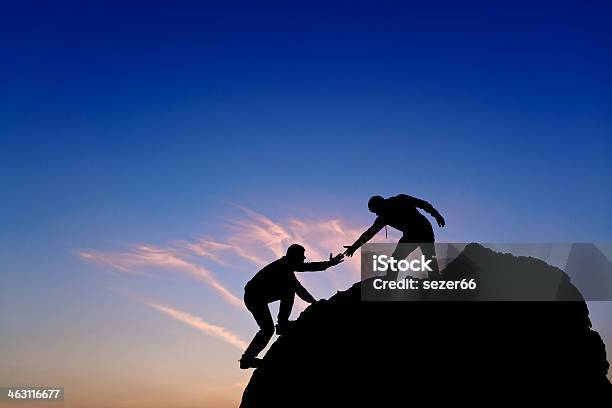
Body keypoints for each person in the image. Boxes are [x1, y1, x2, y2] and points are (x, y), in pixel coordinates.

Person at [240, 244, 344, 369]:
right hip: (254, 297)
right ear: (294, 256)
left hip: (257, 296)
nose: (304, 258)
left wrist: (328, 264)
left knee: (269, 327)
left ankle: (248, 358)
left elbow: (306, 268)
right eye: (302, 256)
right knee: (269, 326)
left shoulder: (286, 266)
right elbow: (300, 289)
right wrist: (315, 303)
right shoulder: (283, 268)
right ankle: (248, 358)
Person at [343, 194, 445, 281]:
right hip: (410, 236)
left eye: (377, 211)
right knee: (396, 260)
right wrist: (354, 247)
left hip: (424, 230)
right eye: (375, 212)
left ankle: (435, 282)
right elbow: (369, 233)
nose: (377, 214)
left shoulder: (401, 199)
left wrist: (436, 214)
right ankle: (390, 284)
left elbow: (422, 204)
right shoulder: (383, 217)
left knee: (429, 257)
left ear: (382, 204)